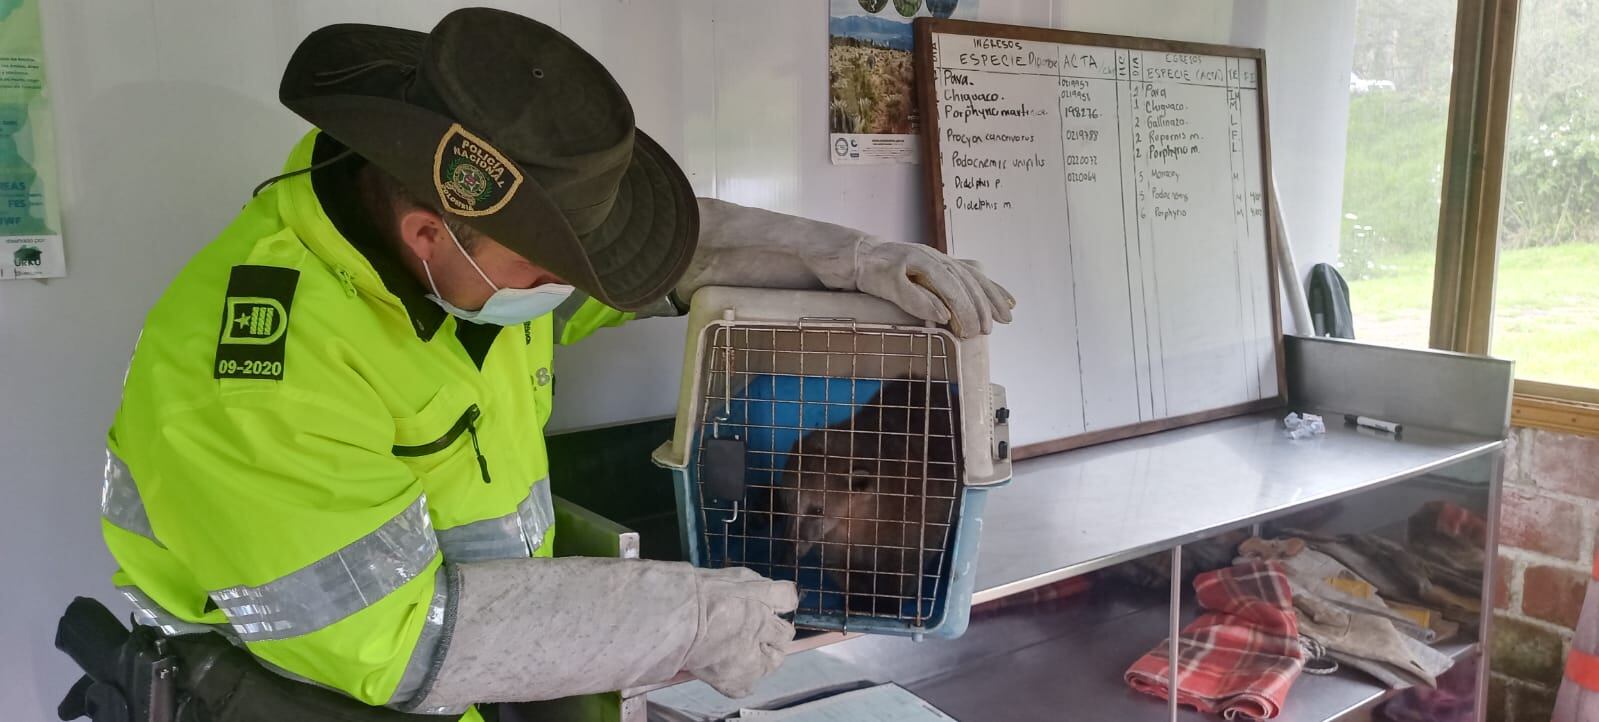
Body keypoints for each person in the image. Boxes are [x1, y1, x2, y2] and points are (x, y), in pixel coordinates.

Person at [86, 8, 1013, 722]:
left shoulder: (467, 271)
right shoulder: (259, 373)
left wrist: (838, 254)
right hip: (292, 697)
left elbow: (652, 267)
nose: (567, 289)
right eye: (548, 267)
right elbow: (392, 643)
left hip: (467, 687)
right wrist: (681, 622)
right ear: (427, 235)